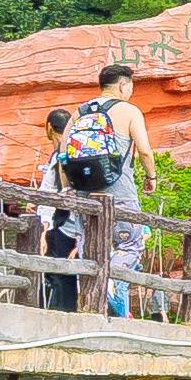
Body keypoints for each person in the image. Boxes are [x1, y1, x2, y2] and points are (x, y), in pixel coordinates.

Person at [54, 67, 147, 314]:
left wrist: (67, 188)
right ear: (123, 86)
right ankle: (111, 281)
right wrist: (152, 176)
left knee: (88, 240)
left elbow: (63, 154)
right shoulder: (129, 111)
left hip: (83, 189)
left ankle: (91, 298)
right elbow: (145, 150)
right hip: (120, 189)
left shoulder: (79, 113)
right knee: (130, 244)